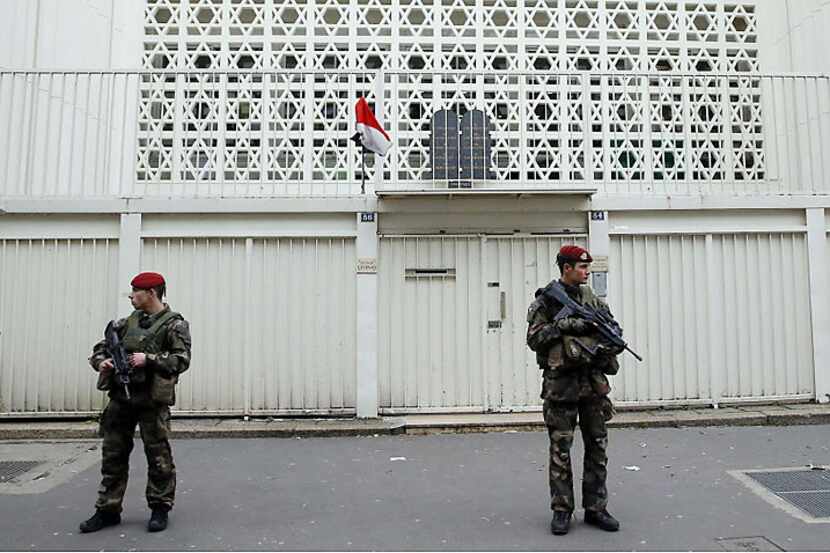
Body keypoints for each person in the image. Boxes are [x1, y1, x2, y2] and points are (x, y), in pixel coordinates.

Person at [80, 272, 191, 534]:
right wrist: (102, 362)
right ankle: (107, 509)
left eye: (135, 291)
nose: (131, 296)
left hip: (151, 401)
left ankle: (160, 508)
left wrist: (149, 359)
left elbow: (181, 359)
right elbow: (99, 349)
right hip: (121, 399)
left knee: (158, 457)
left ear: (151, 292)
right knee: (113, 456)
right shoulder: (124, 324)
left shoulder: (175, 325)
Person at [526, 245, 622, 536]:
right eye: (581, 268)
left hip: (592, 386)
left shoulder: (593, 300)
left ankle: (596, 508)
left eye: (587, 268)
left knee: (597, 448)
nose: (586, 273)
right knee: (561, 451)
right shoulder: (547, 301)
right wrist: (567, 324)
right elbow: (535, 338)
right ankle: (562, 510)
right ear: (566, 268)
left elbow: (613, 329)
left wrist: (609, 341)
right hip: (561, 387)